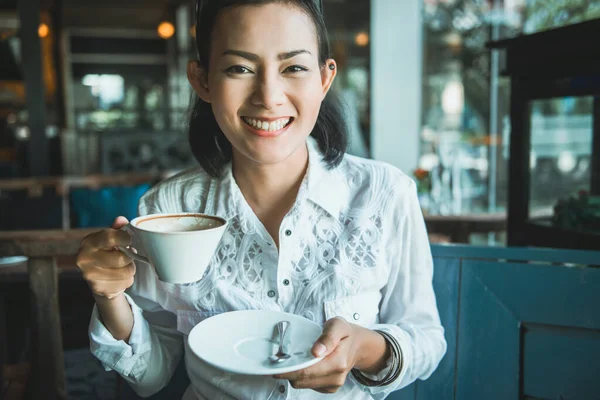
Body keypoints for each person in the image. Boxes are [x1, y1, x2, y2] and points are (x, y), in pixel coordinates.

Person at [76, 0, 447, 399]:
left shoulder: (385, 194)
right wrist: (109, 294)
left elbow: (424, 338)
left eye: (294, 68)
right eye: (240, 68)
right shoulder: (167, 208)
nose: (268, 97)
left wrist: (365, 349)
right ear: (202, 80)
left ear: (324, 78)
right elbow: (151, 373)